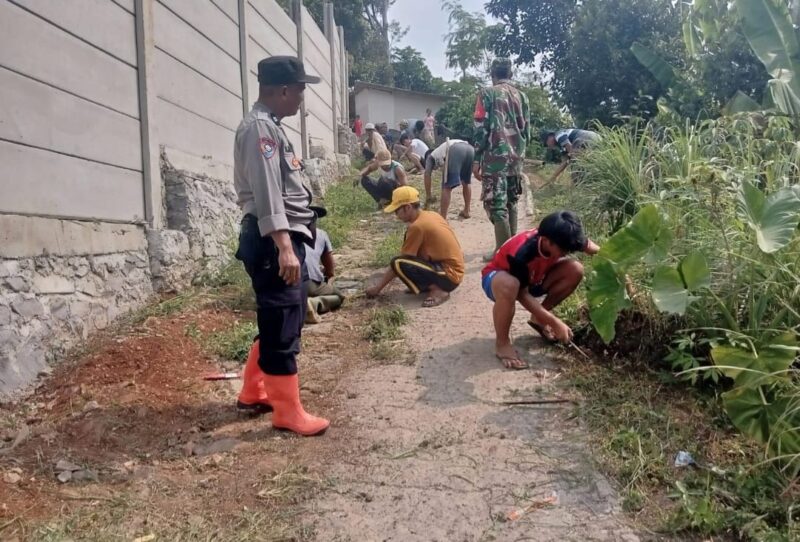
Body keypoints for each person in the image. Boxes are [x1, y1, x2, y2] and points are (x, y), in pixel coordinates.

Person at [232, 55, 329, 436]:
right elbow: (268, 192)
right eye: (301, 90)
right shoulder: (260, 129)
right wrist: (285, 246)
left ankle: (253, 391)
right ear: (284, 90)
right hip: (274, 241)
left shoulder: (269, 126)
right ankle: (287, 413)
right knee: (282, 324)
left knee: (281, 318)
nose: (303, 98)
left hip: (279, 236)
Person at [481, 211, 600, 369]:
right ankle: (502, 343)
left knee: (575, 269)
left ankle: (538, 318)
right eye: (563, 250)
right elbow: (522, 295)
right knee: (510, 285)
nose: (566, 253)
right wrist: (554, 322)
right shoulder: (522, 253)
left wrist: (618, 265)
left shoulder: (565, 236)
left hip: (534, 279)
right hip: (498, 280)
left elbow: (595, 249)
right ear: (546, 241)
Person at [366, 187, 464, 307]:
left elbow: (403, 260)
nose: (396, 216)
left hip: (449, 276)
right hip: (453, 272)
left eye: (397, 211)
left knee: (398, 262)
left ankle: (438, 290)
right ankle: (427, 285)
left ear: (407, 207)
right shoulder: (431, 214)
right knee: (406, 257)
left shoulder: (417, 226)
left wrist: (377, 288)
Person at [473, 58, 531, 259]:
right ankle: (512, 248)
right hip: (516, 157)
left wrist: (476, 158)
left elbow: (480, 128)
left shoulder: (486, 94)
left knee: (496, 203)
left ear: (492, 75)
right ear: (511, 74)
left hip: (495, 157)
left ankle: (503, 252)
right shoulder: (522, 96)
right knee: (511, 200)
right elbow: (527, 131)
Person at [423, 139, 474, 219]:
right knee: (466, 182)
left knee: (446, 187)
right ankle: (466, 211)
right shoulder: (441, 151)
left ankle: (443, 217)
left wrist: (428, 196)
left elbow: (427, 174)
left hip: (455, 149)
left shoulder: (430, 157)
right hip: (470, 149)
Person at [304, 226, 344, 324]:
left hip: (281, 281)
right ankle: (314, 303)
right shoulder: (320, 233)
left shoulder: (281, 232)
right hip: (306, 280)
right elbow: (330, 271)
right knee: (338, 296)